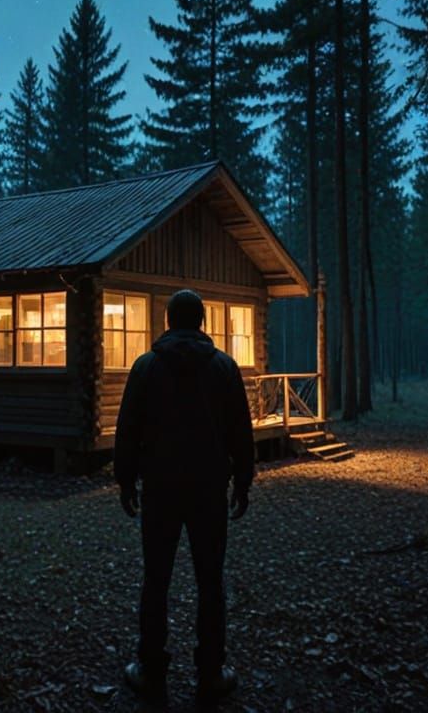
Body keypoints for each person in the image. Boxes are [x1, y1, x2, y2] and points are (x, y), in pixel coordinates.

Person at [114, 289, 255, 706]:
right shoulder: (224, 368)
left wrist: (125, 481)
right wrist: (243, 482)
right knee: (211, 582)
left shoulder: (146, 367)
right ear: (203, 322)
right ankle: (210, 672)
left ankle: (150, 669)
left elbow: (127, 429)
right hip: (209, 491)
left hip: (160, 490)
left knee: (156, 580)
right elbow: (241, 433)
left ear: (168, 320)